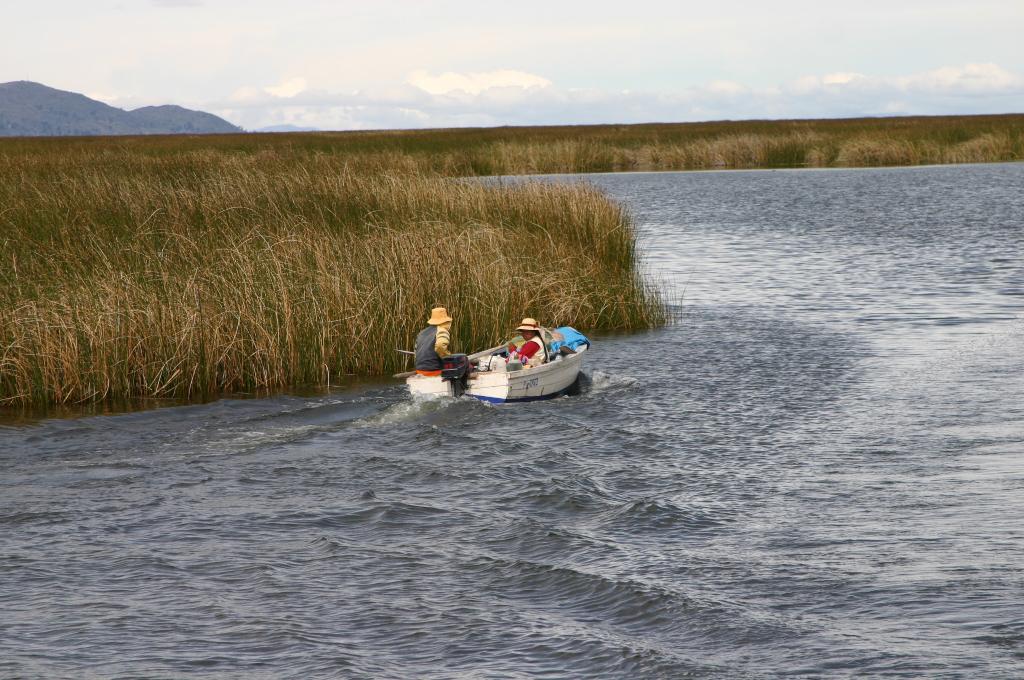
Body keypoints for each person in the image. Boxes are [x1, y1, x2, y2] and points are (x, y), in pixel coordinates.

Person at [414, 306, 453, 376]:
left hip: (419, 370)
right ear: (445, 321)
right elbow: (440, 346)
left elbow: (416, 351)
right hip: (434, 370)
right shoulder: (442, 331)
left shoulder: (421, 332)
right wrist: (448, 358)